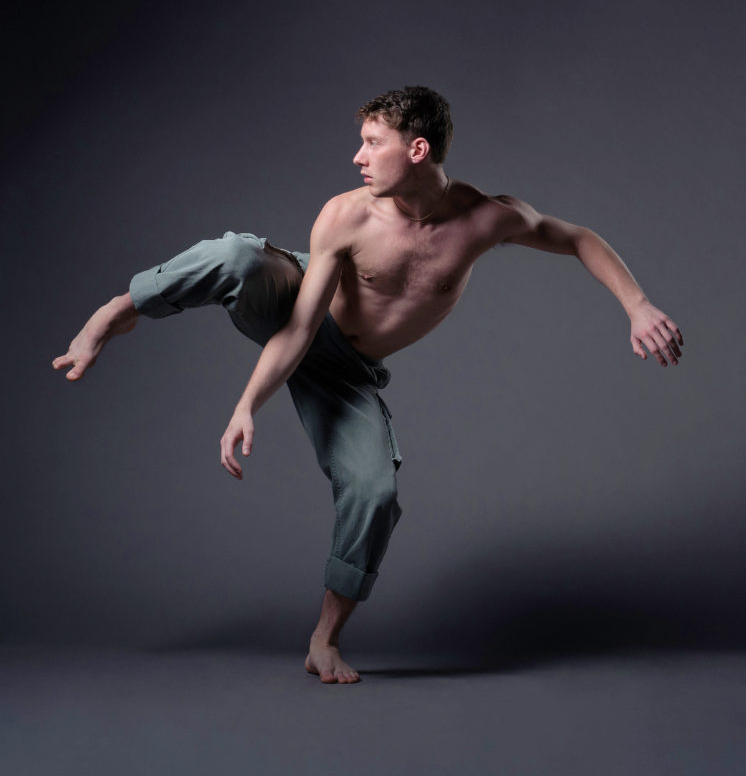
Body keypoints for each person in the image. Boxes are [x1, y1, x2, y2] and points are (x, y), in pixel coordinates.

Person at [52, 86, 683, 684]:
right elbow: (298, 330)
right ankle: (115, 313)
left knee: (376, 492)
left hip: (346, 375)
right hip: (297, 309)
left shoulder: (489, 218)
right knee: (239, 257)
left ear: (417, 150)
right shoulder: (346, 217)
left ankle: (323, 639)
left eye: (371, 142)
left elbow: (576, 238)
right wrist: (246, 406)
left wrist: (638, 305)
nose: (357, 156)